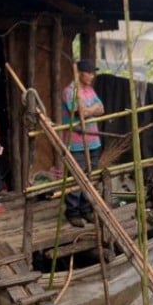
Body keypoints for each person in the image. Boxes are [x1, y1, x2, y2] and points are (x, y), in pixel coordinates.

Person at [61, 58, 104, 227]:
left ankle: (86, 209)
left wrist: (90, 110)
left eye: (93, 73)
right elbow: (79, 111)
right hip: (77, 143)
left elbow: (101, 108)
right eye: (89, 73)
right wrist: (89, 110)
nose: (92, 76)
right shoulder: (70, 91)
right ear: (79, 73)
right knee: (76, 178)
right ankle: (72, 211)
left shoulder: (89, 90)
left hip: (93, 141)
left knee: (90, 177)